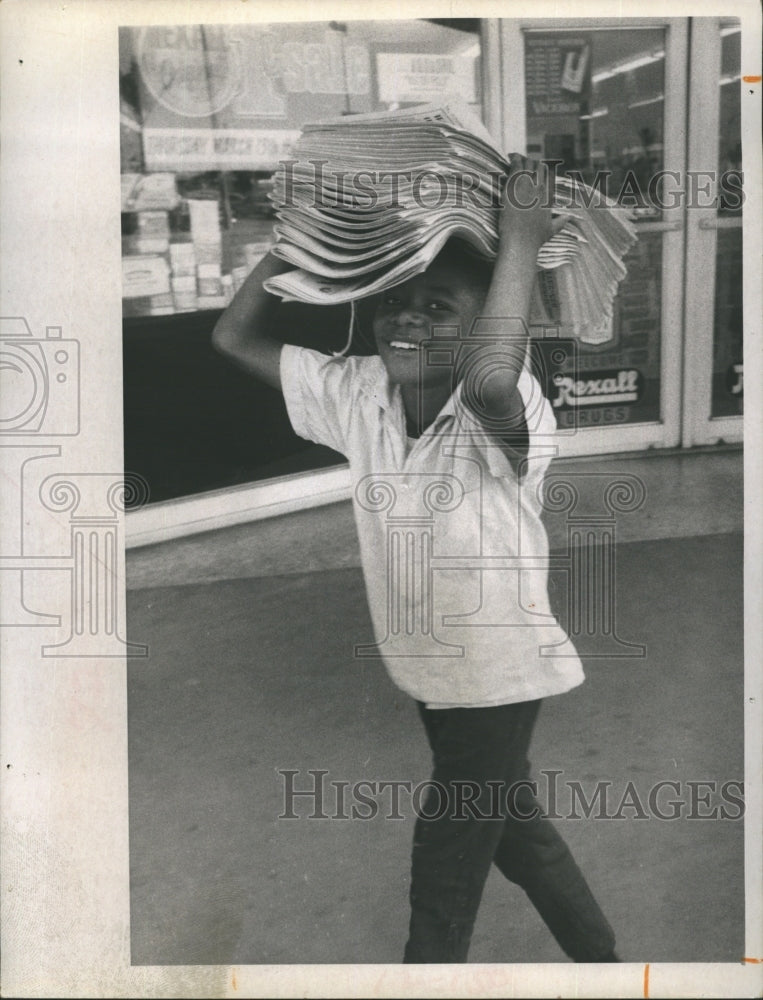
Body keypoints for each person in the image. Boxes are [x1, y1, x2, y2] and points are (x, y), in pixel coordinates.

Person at [212, 159, 619, 963]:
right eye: (393, 301)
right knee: (513, 837)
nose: (406, 320)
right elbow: (233, 336)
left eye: (439, 308)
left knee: (443, 873)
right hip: (428, 669)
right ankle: (607, 966)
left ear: (484, 322)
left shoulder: (500, 404)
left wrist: (521, 239)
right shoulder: (358, 392)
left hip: (498, 672)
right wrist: (302, 242)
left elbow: (493, 373)